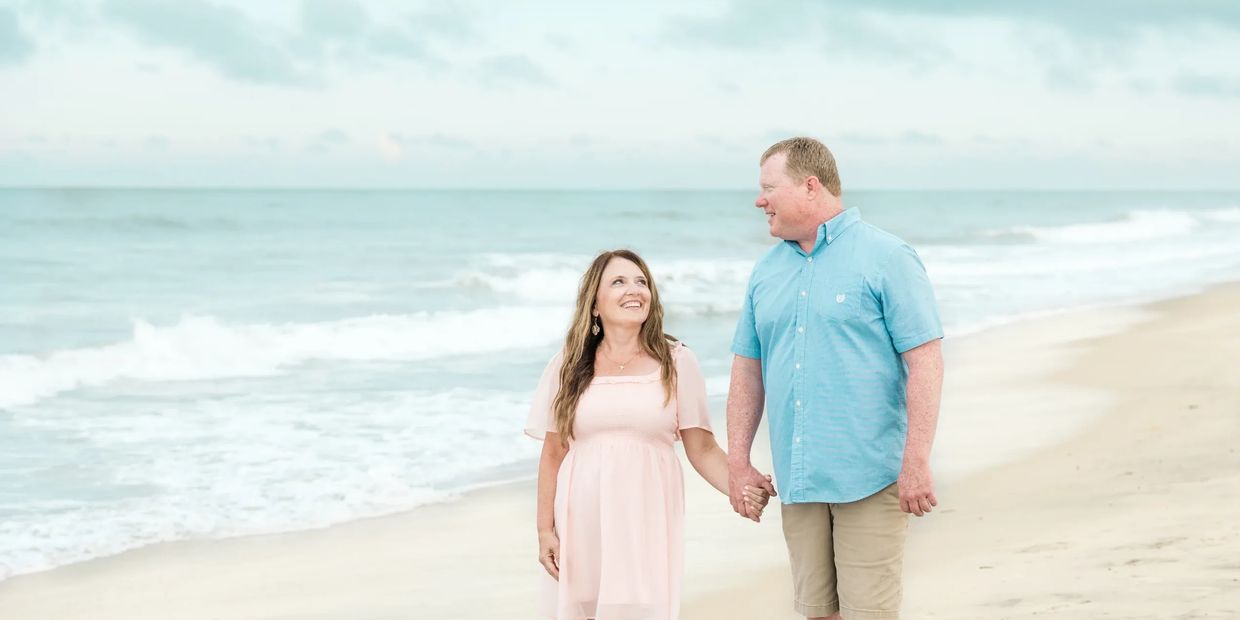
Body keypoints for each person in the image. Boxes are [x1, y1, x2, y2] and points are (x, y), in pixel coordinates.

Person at [726, 137, 945, 620]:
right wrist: (738, 461)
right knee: (816, 613)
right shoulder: (766, 272)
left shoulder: (888, 258)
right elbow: (748, 368)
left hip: (870, 476)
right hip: (799, 480)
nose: (759, 200)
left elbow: (925, 362)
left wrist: (917, 460)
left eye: (768, 188)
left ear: (810, 186)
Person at [525, 249, 775, 620]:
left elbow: (702, 448)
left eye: (642, 282)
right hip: (580, 517)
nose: (635, 290)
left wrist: (740, 485)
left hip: (644, 516)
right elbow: (554, 451)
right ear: (595, 304)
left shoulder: (676, 361)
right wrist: (546, 530)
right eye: (619, 282)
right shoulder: (569, 362)